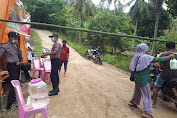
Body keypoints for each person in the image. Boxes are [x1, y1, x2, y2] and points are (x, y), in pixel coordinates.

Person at [129, 43, 175, 118]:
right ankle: (146, 112)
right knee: (146, 95)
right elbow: (158, 59)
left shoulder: (137, 56)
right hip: (143, 79)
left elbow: (133, 67)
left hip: (137, 77)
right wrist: (170, 57)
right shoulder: (145, 57)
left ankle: (132, 101)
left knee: (137, 90)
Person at [0, 32, 23, 109]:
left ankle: (14, 99)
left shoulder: (15, 46)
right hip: (11, 66)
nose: (15, 40)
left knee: (17, 83)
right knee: (13, 84)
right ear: (10, 37)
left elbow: (20, 55)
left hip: (17, 65)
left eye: (16, 38)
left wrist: (18, 46)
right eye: (14, 38)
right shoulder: (5, 46)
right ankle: (10, 105)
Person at [152, 41, 177, 107]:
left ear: (167, 47)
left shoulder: (164, 54)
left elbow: (161, 67)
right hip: (176, 76)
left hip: (165, 75)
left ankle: (154, 103)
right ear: (174, 47)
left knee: (156, 87)